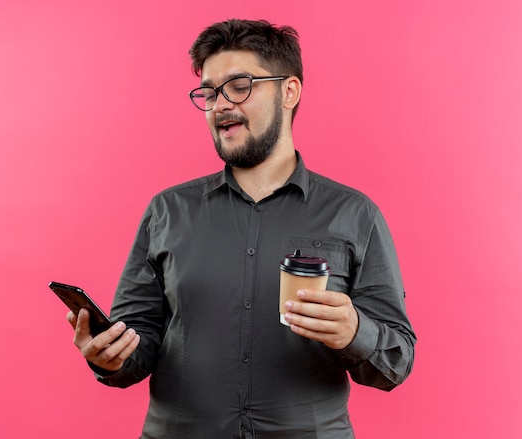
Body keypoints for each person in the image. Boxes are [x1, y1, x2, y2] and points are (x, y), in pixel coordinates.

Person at [67, 18, 416, 439]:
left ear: (289, 92)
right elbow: (137, 346)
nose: (220, 106)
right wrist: (109, 355)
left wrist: (355, 331)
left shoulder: (355, 215)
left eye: (239, 86)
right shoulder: (167, 211)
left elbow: (395, 363)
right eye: (210, 92)